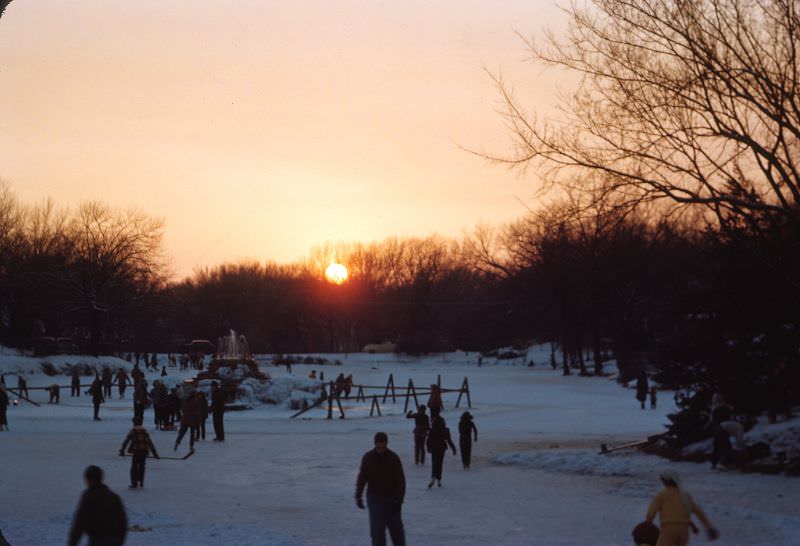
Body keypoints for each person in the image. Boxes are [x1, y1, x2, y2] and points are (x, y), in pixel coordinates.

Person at [355, 432, 406, 546]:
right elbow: (362, 478)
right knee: (377, 531)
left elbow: (400, 481)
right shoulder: (368, 458)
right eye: (378, 447)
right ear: (375, 444)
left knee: (397, 531)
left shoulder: (393, 458)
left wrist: (399, 500)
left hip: (392, 498)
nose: (380, 450)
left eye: (383, 447)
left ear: (386, 444)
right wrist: (358, 495)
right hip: (375, 498)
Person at [645, 470, 719, 545]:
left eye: (662, 480)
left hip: (668, 529)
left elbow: (651, 513)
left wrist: (648, 524)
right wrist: (708, 526)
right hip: (684, 530)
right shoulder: (685, 495)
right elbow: (698, 512)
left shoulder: (662, 495)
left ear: (666, 481)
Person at [68, 465, 128, 546]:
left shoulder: (89, 495)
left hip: (98, 540)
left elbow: (80, 522)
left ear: (87, 479)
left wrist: (73, 542)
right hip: (114, 540)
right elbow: (123, 521)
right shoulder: (114, 497)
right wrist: (119, 541)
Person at [119, 416, 160, 489]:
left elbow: (126, 442)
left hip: (136, 451)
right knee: (142, 467)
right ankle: (141, 482)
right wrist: (155, 454)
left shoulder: (133, 431)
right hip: (144, 451)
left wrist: (122, 451)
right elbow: (150, 443)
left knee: (134, 467)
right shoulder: (144, 431)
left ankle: (134, 483)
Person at [426, 415, 456, 488]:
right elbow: (449, 440)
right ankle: (439, 479)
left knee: (434, 462)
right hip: (442, 447)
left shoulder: (432, 430)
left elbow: (428, 440)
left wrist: (428, 447)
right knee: (440, 463)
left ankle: (433, 477)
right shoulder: (445, 430)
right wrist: (453, 448)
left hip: (434, 447)